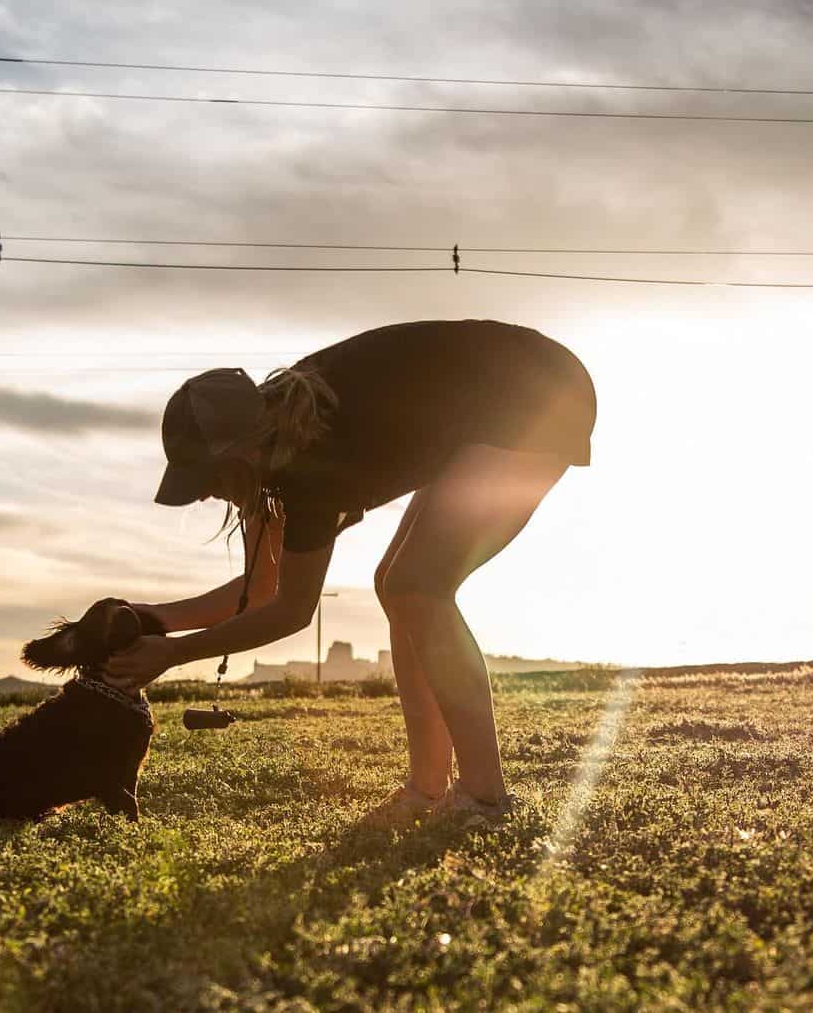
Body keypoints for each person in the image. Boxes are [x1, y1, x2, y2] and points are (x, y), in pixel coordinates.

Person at [105, 318, 596, 823]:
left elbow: (291, 611)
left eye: (205, 477)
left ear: (240, 451)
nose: (206, 493)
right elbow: (262, 587)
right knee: (398, 584)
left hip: (536, 394)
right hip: (492, 404)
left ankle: (484, 798)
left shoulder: (311, 461)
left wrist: (176, 653)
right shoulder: (276, 439)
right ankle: (426, 790)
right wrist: (154, 621)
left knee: (418, 585)